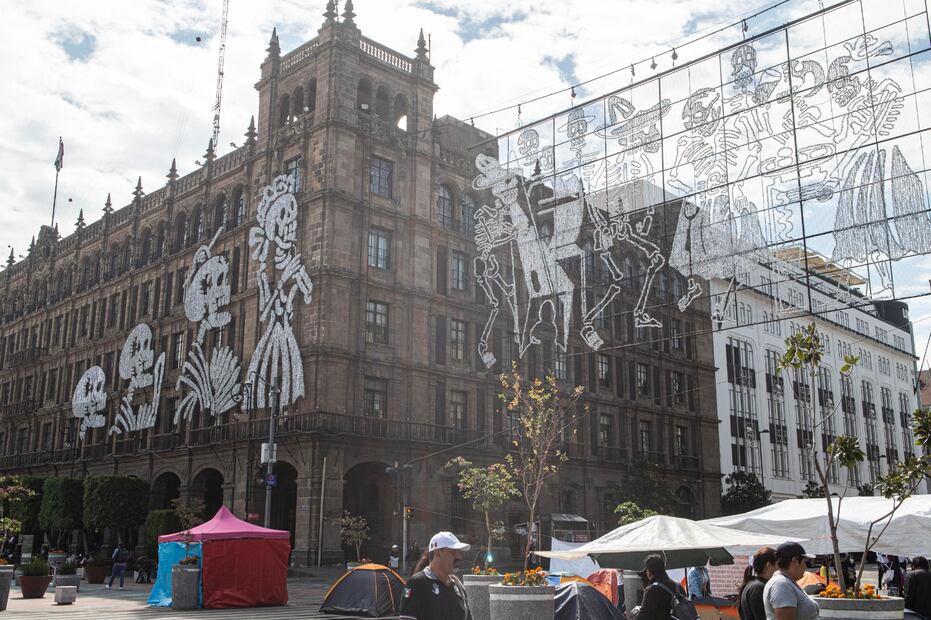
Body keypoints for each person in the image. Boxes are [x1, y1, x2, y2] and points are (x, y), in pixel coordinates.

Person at [400, 531, 472, 620]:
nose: (459, 557)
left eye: (460, 553)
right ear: (438, 553)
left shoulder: (458, 585)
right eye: (453, 552)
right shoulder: (417, 583)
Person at [763, 542, 820, 620]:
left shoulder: (787, 582)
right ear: (795, 560)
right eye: (804, 562)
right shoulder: (781, 585)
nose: (805, 567)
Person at [632, 554, 686, 620]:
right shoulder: (678, 586)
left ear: (648, 572)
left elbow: (643, 616)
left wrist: (635, 614)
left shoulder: (652, 590)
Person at [739, 547, 778, 620]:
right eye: (778, 565)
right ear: (769, 565)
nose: (780, 569)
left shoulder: (753, 584)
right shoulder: (758, 588)